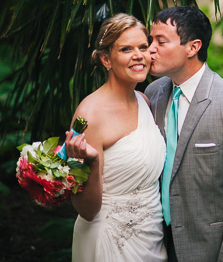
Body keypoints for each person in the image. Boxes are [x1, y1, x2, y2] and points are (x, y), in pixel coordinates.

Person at [144, 5, 223, 262]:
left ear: (192, 47)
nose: (150, 50)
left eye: (161, 41)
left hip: (212, 249)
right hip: (157, 245)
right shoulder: (153, 94)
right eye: (150, 41)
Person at [65, 14, 167, 261]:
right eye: (126, 49)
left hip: (152, 235)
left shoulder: (144, 101)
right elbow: (86, 210)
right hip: (108, 237)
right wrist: (92, 162)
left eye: (143, 47)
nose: (138, 55)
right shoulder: (90, 115)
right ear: (106, 59)